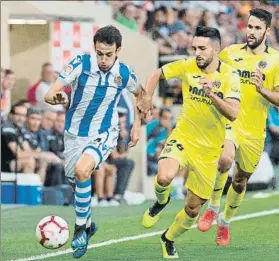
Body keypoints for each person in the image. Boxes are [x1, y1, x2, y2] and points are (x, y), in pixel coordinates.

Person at [137, 26, 240, 259]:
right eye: (194, 48)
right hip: (183, 136)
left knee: (193, 209)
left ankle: (168, 238)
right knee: (164, 176)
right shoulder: (187, 66)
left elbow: (233, 113)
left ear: (216, 49)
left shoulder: (229, 76)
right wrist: (146, 98)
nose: (197, 53)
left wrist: (212, 94)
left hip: (209, 150)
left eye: (202, 48)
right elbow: (155, 75)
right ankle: (161, 202)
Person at [44, 25, 142, 259]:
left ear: (118, 50)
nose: (103, 59)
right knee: (78, 183)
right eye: (100, 53)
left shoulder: (124, 73)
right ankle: (88, 225)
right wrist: (56, 97)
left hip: (105, 132)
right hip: (74, 135)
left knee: (82, 170)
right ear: (94, 49)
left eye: (108, 54)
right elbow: (51, 92)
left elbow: (142, 94)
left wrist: (136, 125)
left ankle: (80, 230)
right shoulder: (81, 63)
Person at [197, 8, 279, 246]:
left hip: (255, 130)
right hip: (231, 121)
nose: (251, 32)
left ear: (267, 30)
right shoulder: (230, 53)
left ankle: (225, 222)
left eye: (257, 28)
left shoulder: (275, 60)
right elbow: (212, 73)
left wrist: (263, 89)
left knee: (241, 180)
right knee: (225, 158)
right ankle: (212, 206)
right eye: (249, 26)